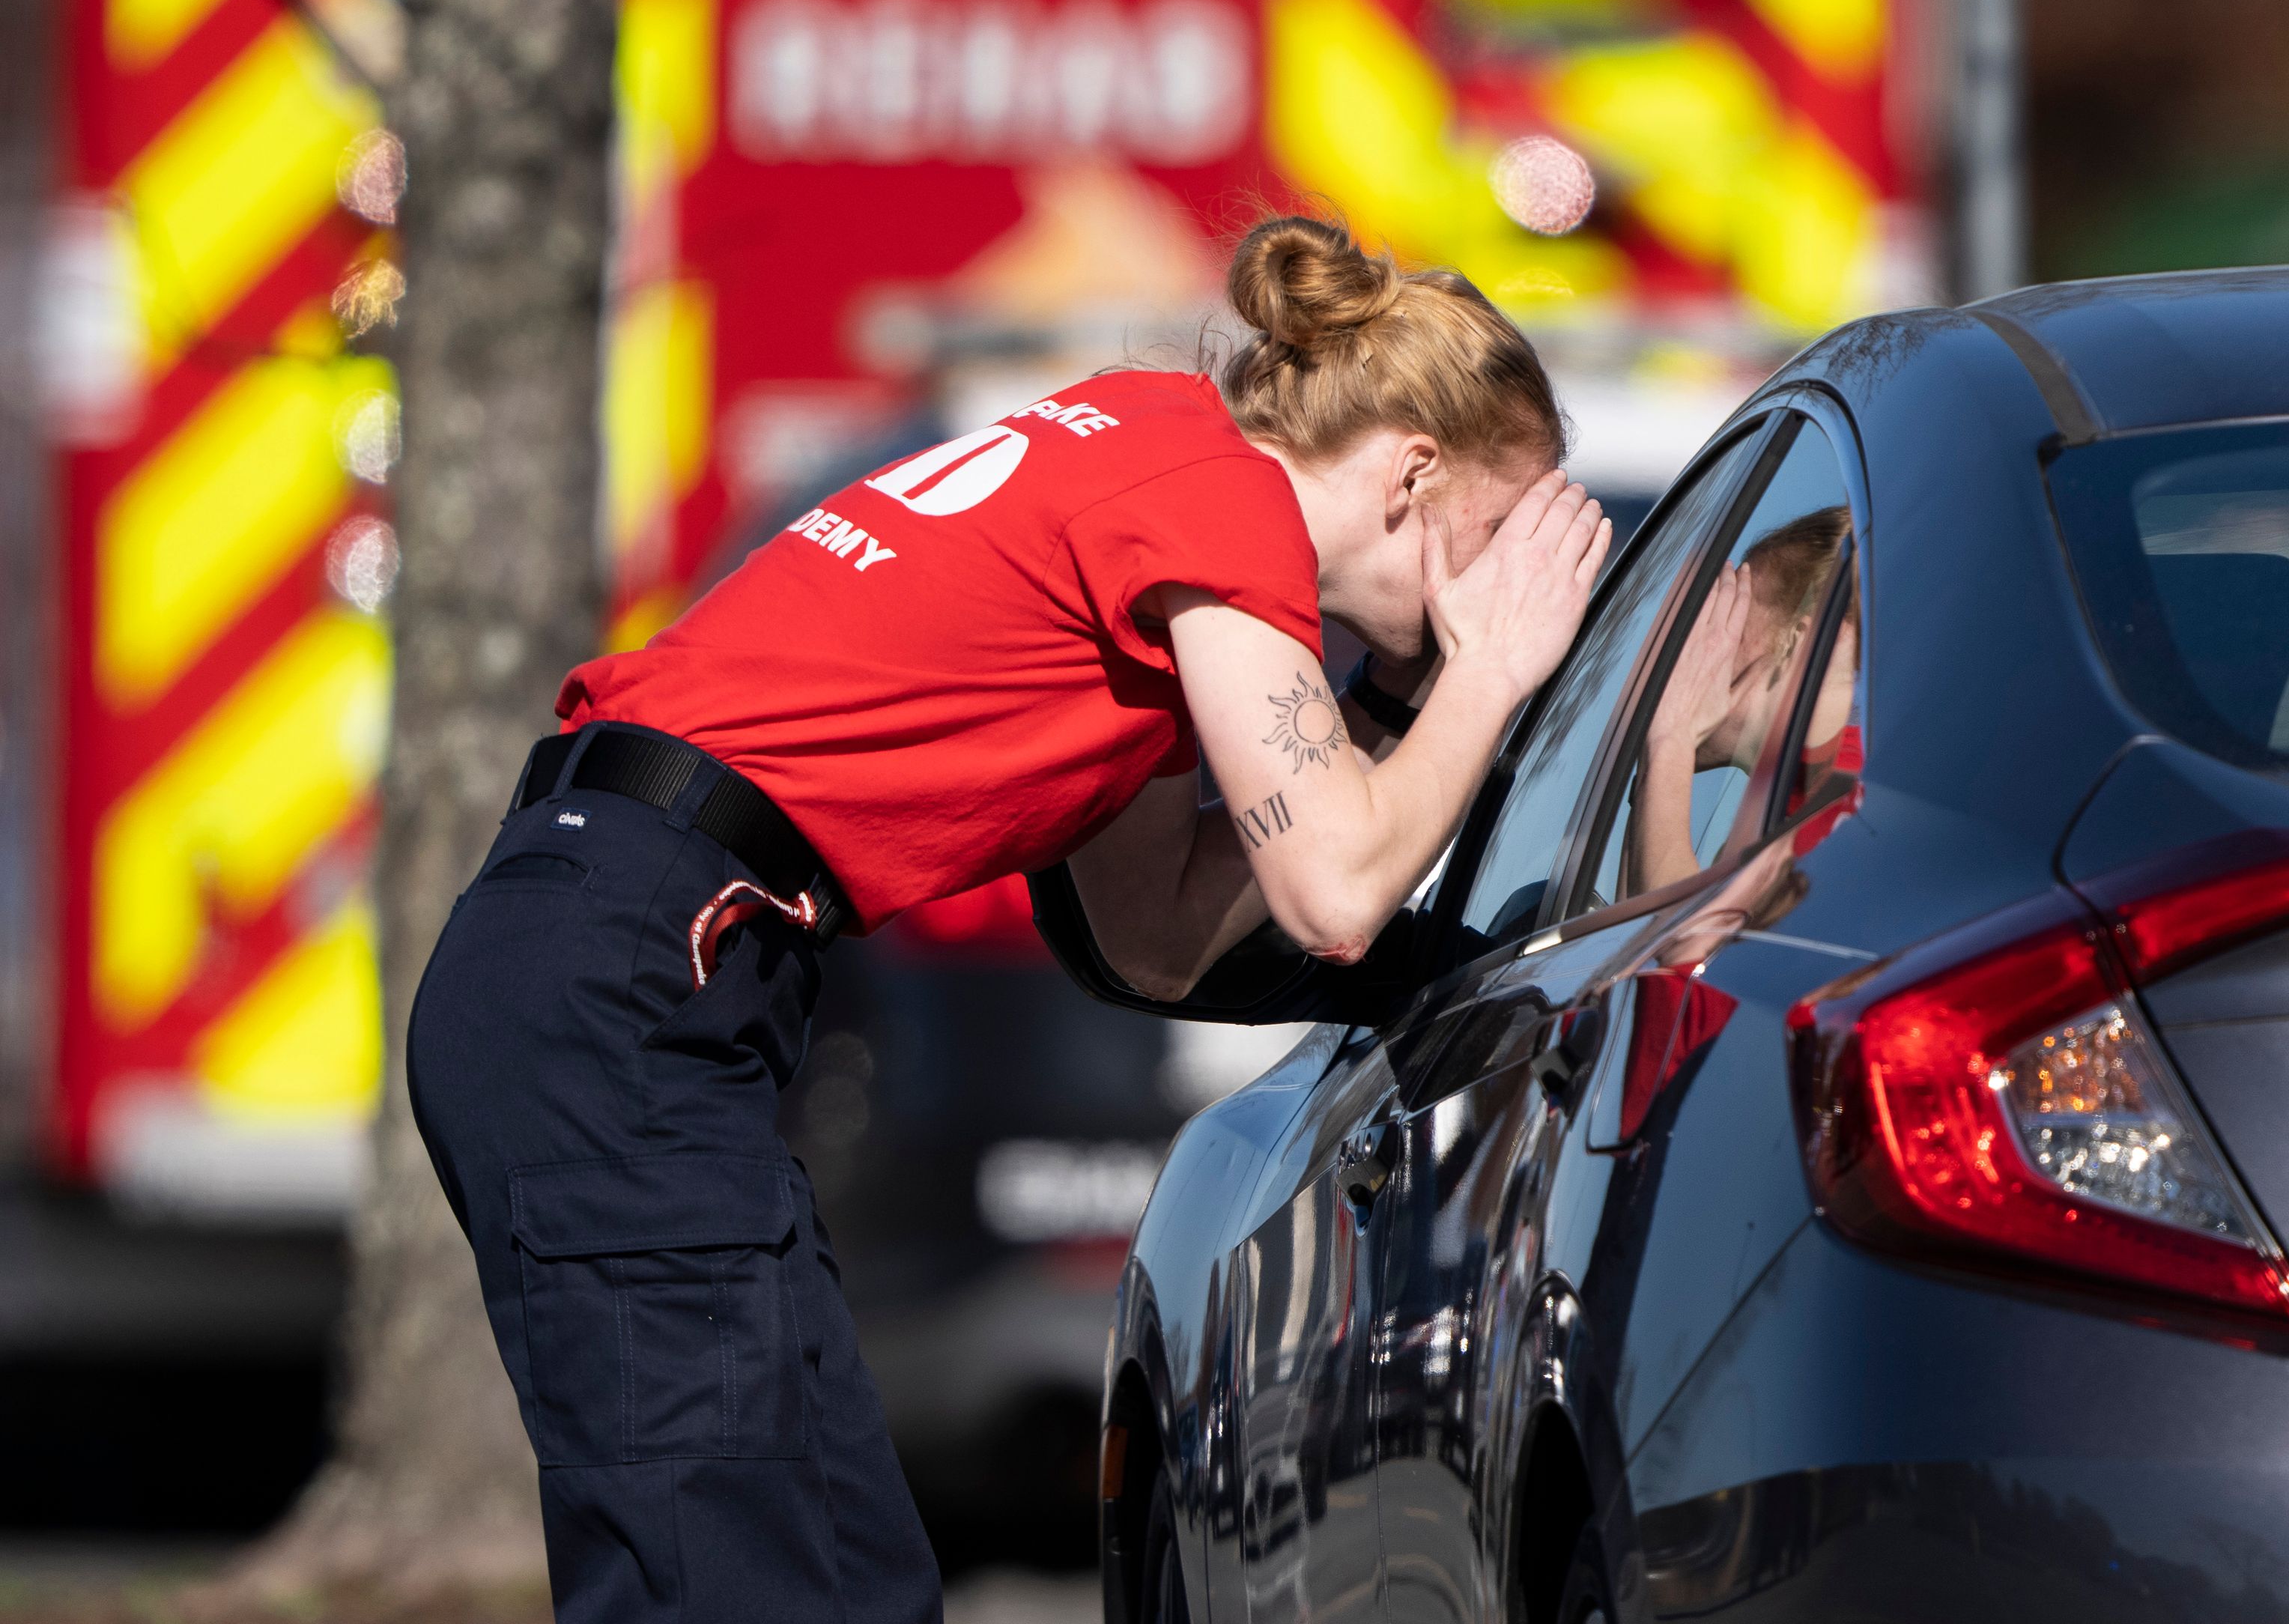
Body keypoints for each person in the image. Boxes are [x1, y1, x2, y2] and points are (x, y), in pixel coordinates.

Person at [404, 214, 1610, 1624]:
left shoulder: (1158, 481)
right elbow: (1337, 894)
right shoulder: (1222, 508)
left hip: (633, 966)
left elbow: (1156, 931)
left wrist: (1403, 707)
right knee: (720, 1576)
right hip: (619, 977)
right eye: (1511, 531)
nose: (1526, 583)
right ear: (1413, 472)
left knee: (849, 1575)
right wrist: (1490, 671)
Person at [1622, 504, 1854, 895]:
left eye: (1731, 621)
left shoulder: (1845, 805)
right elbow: (1634, 938)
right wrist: (1656, 766)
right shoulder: (1773, 811)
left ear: (1800, 646)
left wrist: (1671, 743)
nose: (1694, 653)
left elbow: (1689, 946)